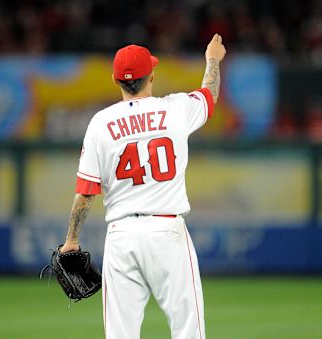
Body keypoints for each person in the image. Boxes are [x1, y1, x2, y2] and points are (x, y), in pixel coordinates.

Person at [59, 34, 226, 339]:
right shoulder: (175, 109)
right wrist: (212, 59)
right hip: (167, 232)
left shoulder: (100, 123)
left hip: (121, 237)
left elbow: (85, 193)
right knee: (188, 330)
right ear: (152, 75)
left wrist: (71, 241)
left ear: (115, 80)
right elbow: (209, 93)